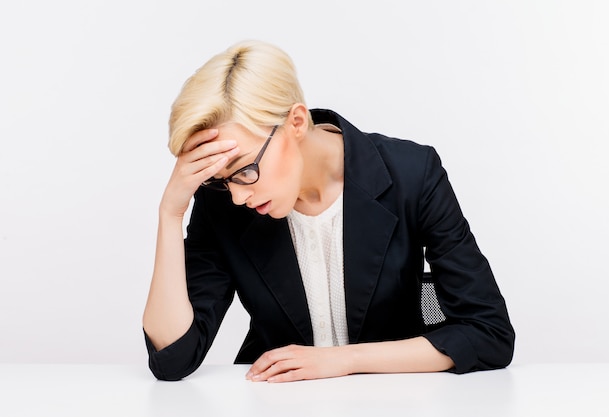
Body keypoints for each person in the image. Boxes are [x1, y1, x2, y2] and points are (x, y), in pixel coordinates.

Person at [142, 40, 515, 382]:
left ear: (297, 122)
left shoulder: (411, 174)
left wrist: (344, 360)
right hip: (277, 399)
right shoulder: (223, 204)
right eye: (222, 180)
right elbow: (173, 359)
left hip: (397, 396)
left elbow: (489, 332)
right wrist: (170, 214)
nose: (238, 196)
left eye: (244, 169)